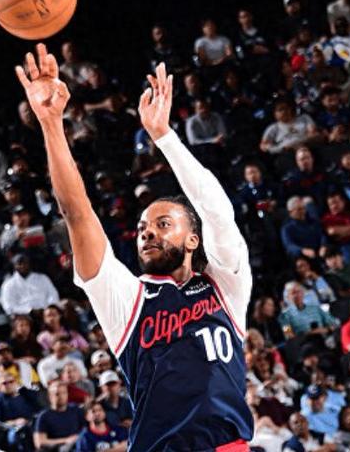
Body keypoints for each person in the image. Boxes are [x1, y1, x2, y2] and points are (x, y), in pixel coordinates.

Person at [15, 52, 253, 450]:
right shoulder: (127, 299)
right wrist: (51, 124)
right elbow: (77, 213)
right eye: (142, 228)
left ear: (193, 239)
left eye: (163, 224)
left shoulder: (226, 285)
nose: (147, 233)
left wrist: (164, 137)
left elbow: (216, 209)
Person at [33, 381, 84, 451]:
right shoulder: (44, 416)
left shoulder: (76, 410)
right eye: (57, 394)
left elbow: (86, 429)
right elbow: (39, 442)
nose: (61, 396)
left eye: (64, 393)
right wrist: (66, 440)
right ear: (50, 396)